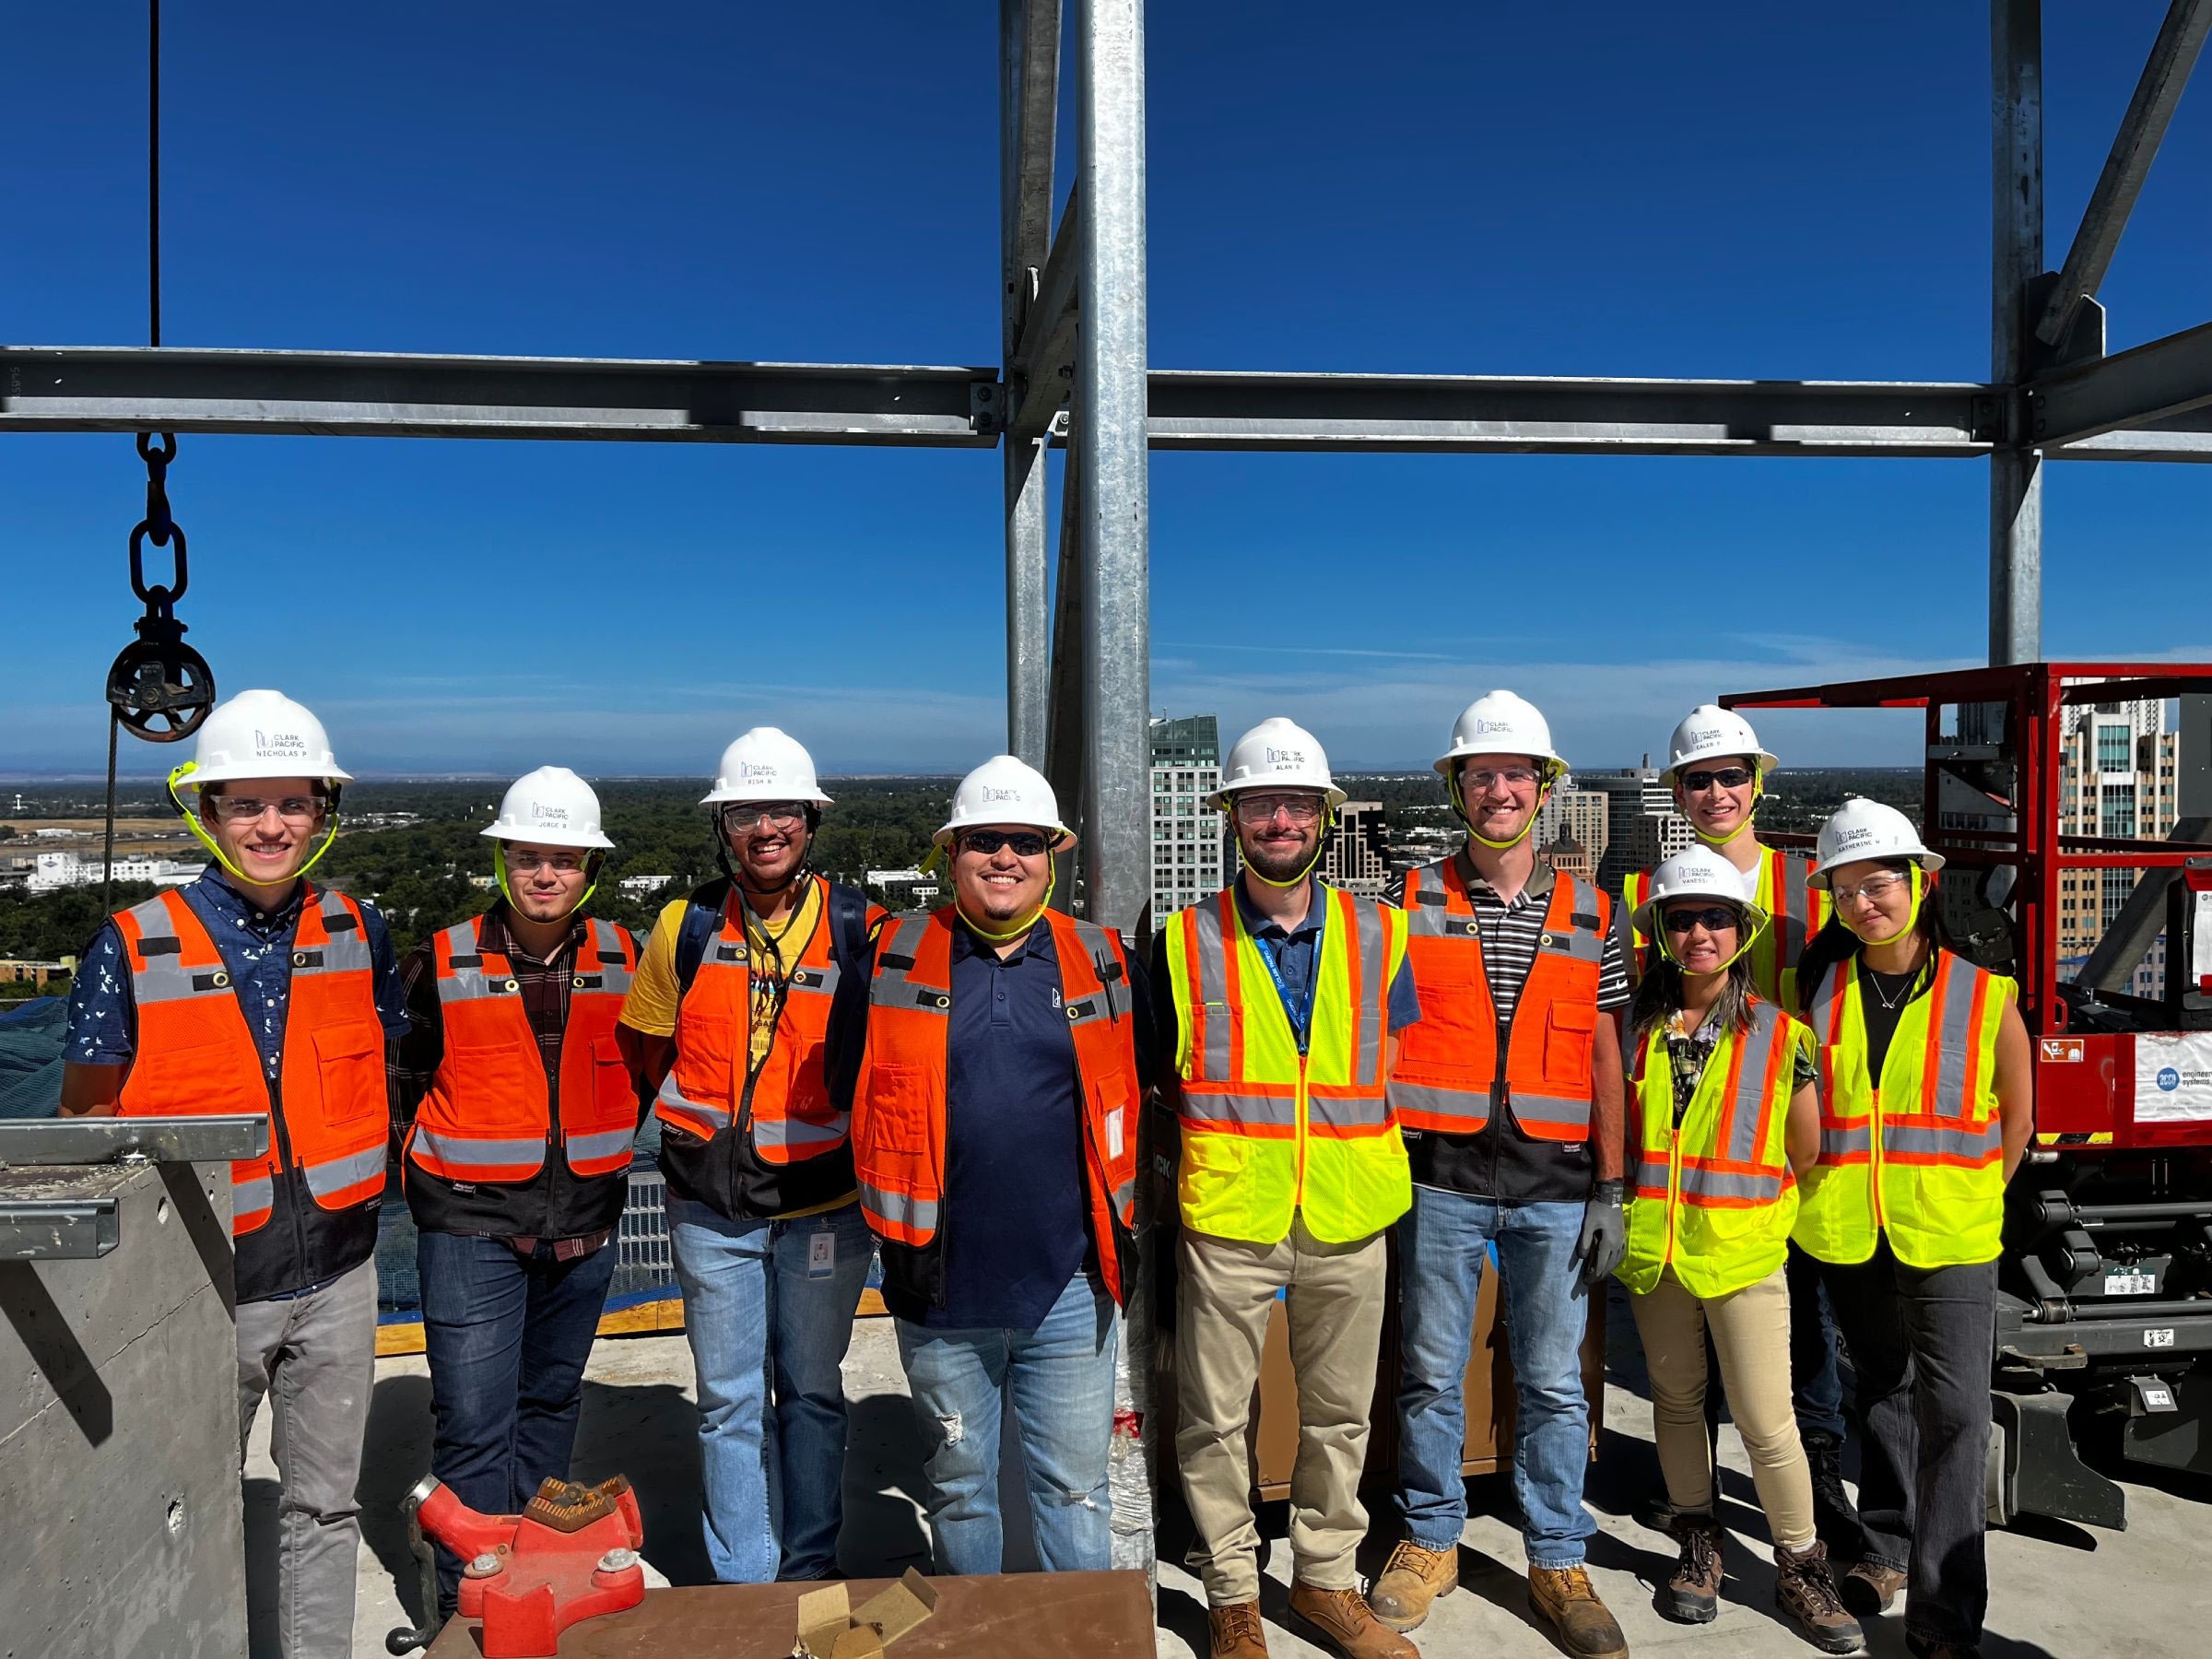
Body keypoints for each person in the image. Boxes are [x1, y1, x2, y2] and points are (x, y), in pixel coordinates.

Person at [57, 688, 406, 1659]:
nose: (270, 825)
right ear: (207, 813)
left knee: (324, 1511)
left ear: (321, 814)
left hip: (337, 1275)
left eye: (291, 803)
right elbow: (86, 1124)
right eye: (245, 804)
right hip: (200, 1291)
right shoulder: (130, 948)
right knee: (181, 1514)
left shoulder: (359, 932)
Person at [1369, 690, 1631, 1659]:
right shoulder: (1411, 902)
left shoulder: (1595, 912)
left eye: (1517, 774)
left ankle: (1558, 1552)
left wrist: (1612, 1185)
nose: (1500, 790)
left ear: (1544, 787)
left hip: (1555, 1185)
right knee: (1432, 1372)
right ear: (1458, 787)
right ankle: (1430, 1536)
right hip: (1437, 1175)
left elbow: (1606, 1057)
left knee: (1555, 1382)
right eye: (1481, 775)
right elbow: (1383, 1033)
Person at [1156, 718, 1420, 1659]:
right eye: (1260, 803)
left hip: (1349, 1211)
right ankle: (1232, 1592)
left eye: (1296, 804)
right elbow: (1164, 1077)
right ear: (1232, 815)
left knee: (1343, 1414)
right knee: (1214, 1417)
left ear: (1323, 819)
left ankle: (1321, 1581)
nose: (1279, 819)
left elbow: (1389, 1063)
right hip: (1231, 1211)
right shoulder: (1184, 941)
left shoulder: (1379, 931)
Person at [852, 755, 1147, 1576]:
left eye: (1024, 841)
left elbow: (1147, 1093)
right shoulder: (889, 957)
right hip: (938, 1286)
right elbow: (844, 1089)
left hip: (1071, 1285)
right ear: (951, 854)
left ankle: (1078, 1642)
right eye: (986, 840)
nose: (1004, 858)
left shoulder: (1105, 960)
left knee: (1075, 1492)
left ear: (1052, 854)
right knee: (958, 1489)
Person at [618, 728, 881, 1582]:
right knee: (729, 1401)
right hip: (710, 1206)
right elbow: (645, 1047)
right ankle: (746, 1581)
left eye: (781, 812)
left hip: (822, 1209)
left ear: (809, 822)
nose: (764, 828)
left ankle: (806, 1568)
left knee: (810, 1394)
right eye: (745, 813)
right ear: (722, 826)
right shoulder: (685, 925)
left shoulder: (860, 930)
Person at [391, 767, 645, 1619]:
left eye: (565, 861)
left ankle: (537, 1569)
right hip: (471, 1227)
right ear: (502, 862)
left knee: (550, 1405)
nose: (546, 876)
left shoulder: (626, 956)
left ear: (589, 871)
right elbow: (407, 1079)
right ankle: (468, 1604)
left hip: (583, 1226)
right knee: (473, 1420)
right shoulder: (440, 957)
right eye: (529, 858)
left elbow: (640, 1072)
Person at [1793, 798, 2033, 1659]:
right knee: (1882, 1392)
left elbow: (2016, 1116)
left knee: (1959, 1415)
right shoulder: (1819, 991)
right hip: (1852, 1230)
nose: (1865, 903)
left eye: (1880, 882)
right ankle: (1888, 1545)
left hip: (1950, 1237)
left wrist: (1972, 1197)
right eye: (1847, 890)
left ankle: (1944, 1607)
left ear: (1921, 882)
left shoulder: (1982, 992)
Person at [1621, 706, 1854, 1554]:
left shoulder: (1807, 889)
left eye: (1731, 776)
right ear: (1677, 790)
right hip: (1678, 1181)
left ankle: (1812, 1515)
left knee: (1796, 1369)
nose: (1717, 792)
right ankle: (1697, 1519)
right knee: (1684, 1381)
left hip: (1777, 1159)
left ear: (1759, 782)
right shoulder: (1647, 895)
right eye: (1698, 778)